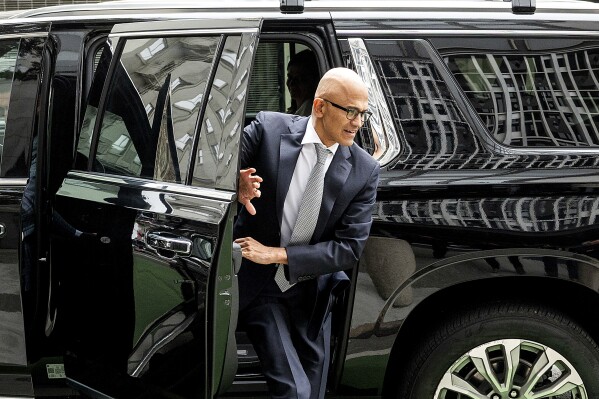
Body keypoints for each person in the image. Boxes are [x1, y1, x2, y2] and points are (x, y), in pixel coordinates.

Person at [234, 67, 380, 399]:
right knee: (295, 391)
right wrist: (235, 186)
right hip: (262, 286)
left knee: (314, 391)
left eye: (363, 113)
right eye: (351, 111)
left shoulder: (364, 170)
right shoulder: (268, 130)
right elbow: (210, 173)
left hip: (313, 292)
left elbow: (349, 249)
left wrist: (276, 254)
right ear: (320, 107)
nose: (358, 122)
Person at [286, 49, 320, 116]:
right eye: (290, 77)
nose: (292, 83)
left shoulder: (310, 112)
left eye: (300, 78)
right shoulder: (296, 110)